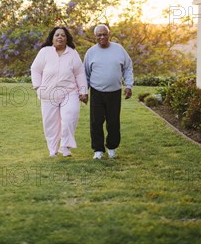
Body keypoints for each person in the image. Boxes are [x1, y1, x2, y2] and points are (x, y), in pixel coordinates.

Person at [31, 27, 88, 158]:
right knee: (50, 123)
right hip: (48, 93)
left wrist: (83, 91)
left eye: (63, 35)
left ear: (67, 38)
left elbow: (79, 73)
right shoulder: (45, 52)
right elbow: (35, 69)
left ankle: (65, 147)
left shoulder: (72, 53)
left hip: (69, 92)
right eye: (57, 35)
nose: (60, 37)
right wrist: (37, 87)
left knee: (70, 117)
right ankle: (52, 150)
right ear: (52, 38)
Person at [84, 24, 133, 160]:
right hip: (96, 92)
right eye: (99, 35)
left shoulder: (119, 49)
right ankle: (98, 150)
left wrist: (128, 85)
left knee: (113, 122)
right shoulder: (91, 52)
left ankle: (111, 147)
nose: (102, 37)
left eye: (104, 34)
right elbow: (85, 74)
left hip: (114, 92)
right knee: (96, 122)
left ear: (109, 34)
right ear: (95, 36)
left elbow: (128, 67)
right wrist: (84, 91)